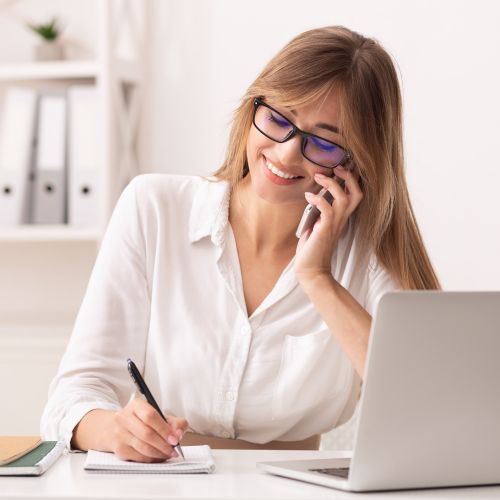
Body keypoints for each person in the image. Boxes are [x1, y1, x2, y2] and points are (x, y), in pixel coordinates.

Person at [41, 25, 440, 463]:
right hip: (161, 485)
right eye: (278, 120)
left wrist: (316, 278)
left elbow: (425, 411)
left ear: (357, 161)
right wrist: (113, 429)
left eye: (324, 142)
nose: (287, 154)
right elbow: (71, 396)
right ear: (254, 106)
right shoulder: (153, 207)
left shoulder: (366, 256)